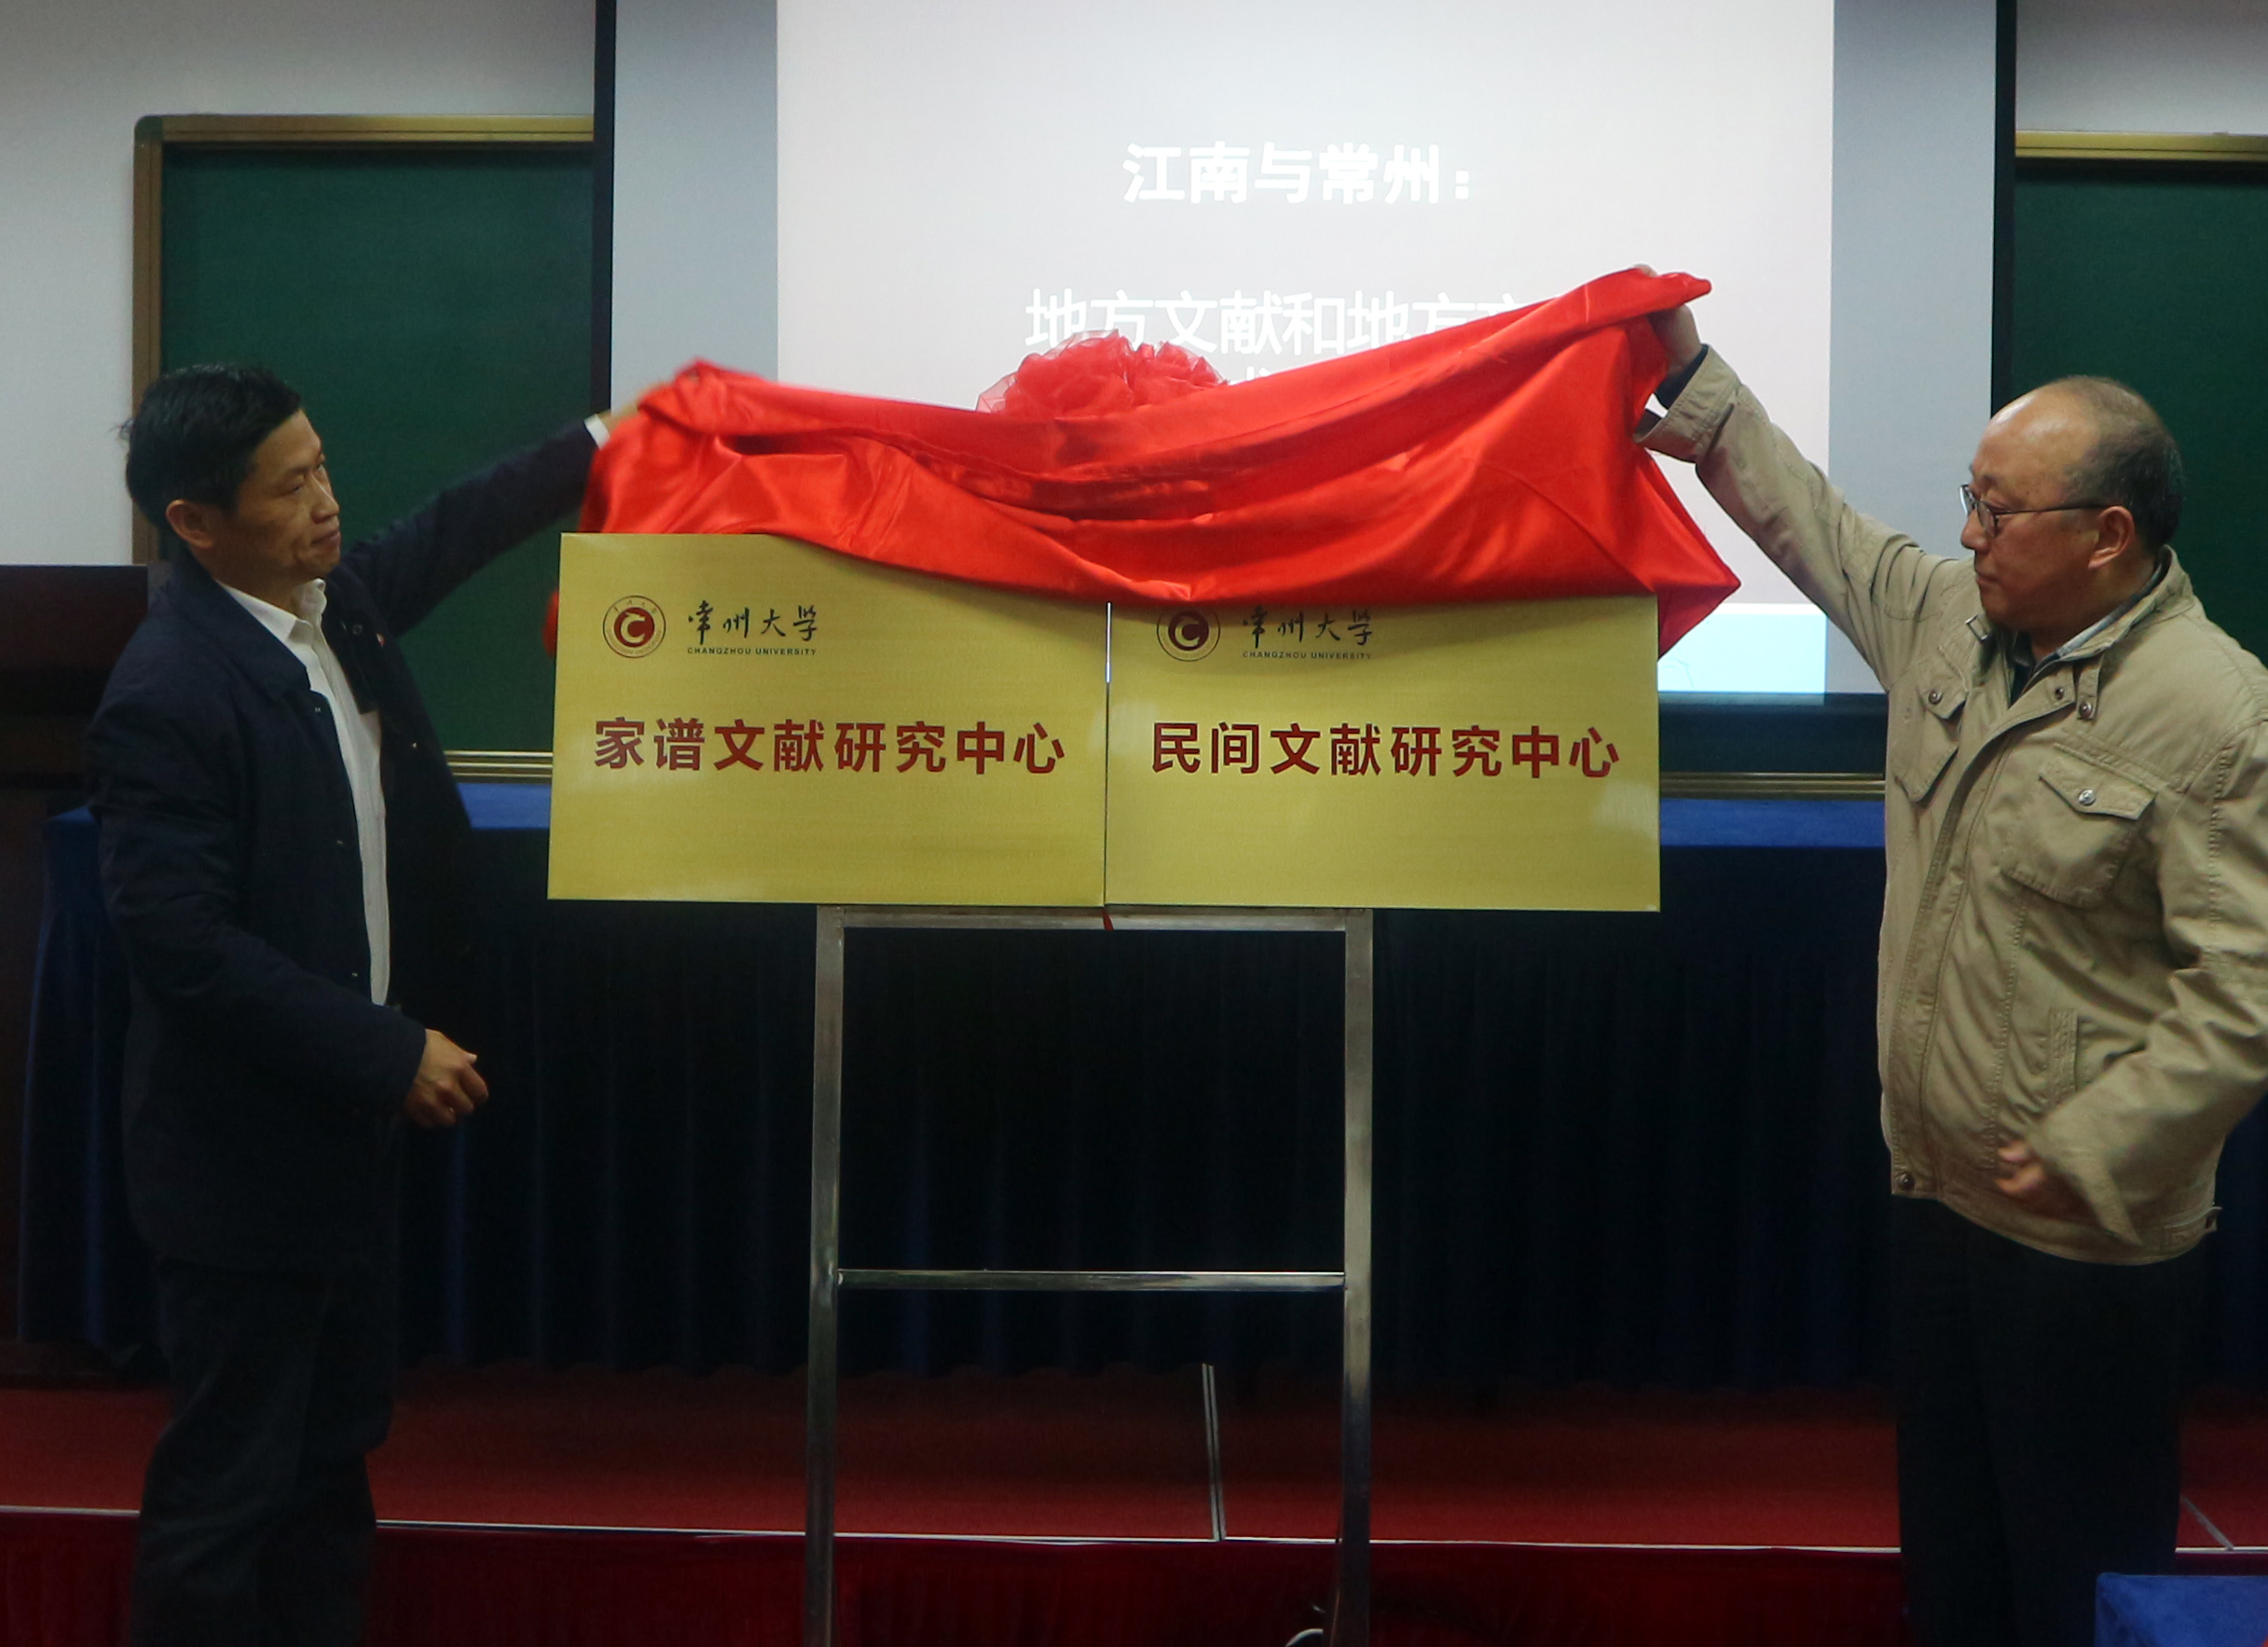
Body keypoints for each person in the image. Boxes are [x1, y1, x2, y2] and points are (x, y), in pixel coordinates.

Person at [1635, 285, 2268, 1647]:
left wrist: (2093, 1146)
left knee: (2074, 1571)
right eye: (1968, 501)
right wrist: (1690, 378)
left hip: (2086, 1235)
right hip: (1935, 1192)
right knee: (1957, 1560)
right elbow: (1811, 523)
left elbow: (2247, 994)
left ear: (2107, 535)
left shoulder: (2217, 717)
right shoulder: (1946, 625)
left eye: (1999, 511)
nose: (1968, 534)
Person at [90, 364, 637, 1645]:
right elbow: (182, 947)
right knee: (230, 1487)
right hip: (239, 1166)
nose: (327, 502)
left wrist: (608, 437)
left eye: (323, 466)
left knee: (331, 1464)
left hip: (344, 1147)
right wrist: (387, 1052)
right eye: (291, 488)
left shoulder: (332, 609)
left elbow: (457, 522)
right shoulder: (168, 691)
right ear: (196, 522)